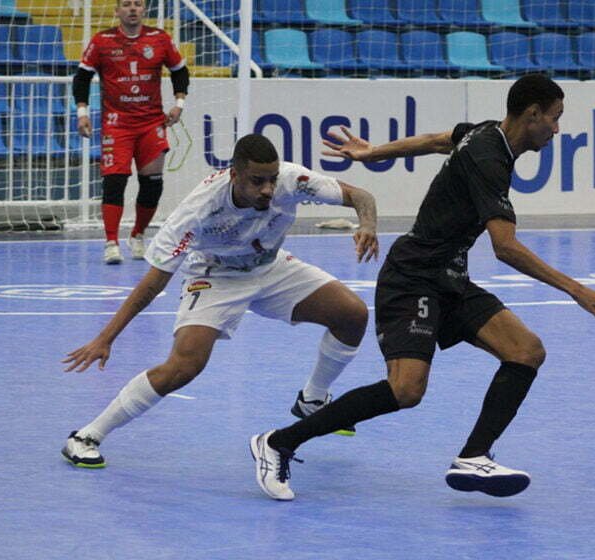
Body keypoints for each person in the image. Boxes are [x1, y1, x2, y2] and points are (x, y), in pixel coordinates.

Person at [249, 74, 595, 501]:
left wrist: (373, 153)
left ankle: (474, 456)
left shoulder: (486, 133)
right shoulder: (489, 159)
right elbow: (505, 247)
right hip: (413, 276)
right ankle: (278, 442)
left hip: (450, 276)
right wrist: (575, 289)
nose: (557, 129)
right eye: (554, 118)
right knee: (405, 390)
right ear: (532, 114)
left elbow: (438, 140)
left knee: (526, 351)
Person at [61, 133, 379, 469]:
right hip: (215, 276)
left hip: (270, 266)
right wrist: (105, 338)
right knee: (185, 366)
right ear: (234, 174)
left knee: (352, 315)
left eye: (271, 180)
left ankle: (312, 399)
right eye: (257, 181)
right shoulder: (199, 210)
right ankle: (86, 436)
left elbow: (361, 195)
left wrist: (368, 225)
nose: (268, 190)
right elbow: (152, 284)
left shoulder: (291, 180)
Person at [73, 0, 190, 264]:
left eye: (138, 4)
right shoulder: (102, 41)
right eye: (126, 4)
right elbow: (81, 77)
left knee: (152, 183)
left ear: (144, 10)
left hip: (151, 123)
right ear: (117, 11)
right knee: (115, 181)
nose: (133, 9)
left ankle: (138, 235)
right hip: (117, 123)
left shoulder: (159, 39)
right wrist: (82, 113)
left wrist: (179, 104)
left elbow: (180, 71)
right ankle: (111, 242)